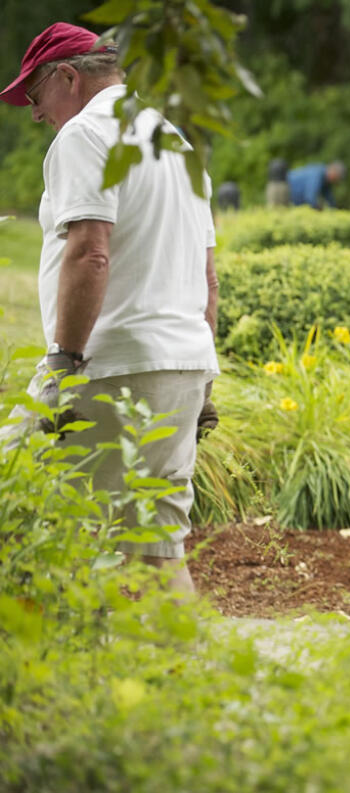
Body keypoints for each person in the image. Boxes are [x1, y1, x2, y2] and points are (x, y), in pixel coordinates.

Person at [1, 22, 219, 594]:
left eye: (34, 94)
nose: (33, 112)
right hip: (182, 368)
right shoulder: (173, 139)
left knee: (20, 508)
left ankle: (50, 676)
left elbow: (89, 251)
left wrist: (63, 364)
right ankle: (186, 679)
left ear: (68, 78)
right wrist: (205, 385)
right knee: (156, 551)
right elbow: (208, 278)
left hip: (107, 368)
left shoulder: (84, 136)